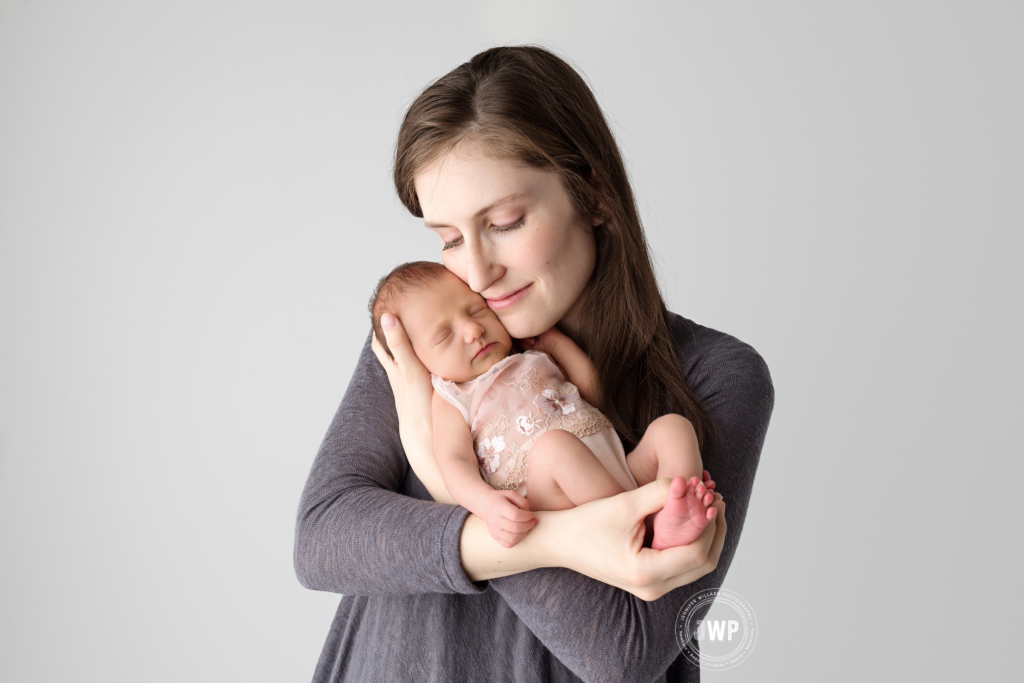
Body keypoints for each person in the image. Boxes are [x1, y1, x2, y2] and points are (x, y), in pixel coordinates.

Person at [294, 45, 774, 682]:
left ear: (592, 195)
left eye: (506, 221)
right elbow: (323, 538)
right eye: (448, 239)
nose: (477, 272)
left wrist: (439, 481)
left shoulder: (718, 374)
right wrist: (547, 538)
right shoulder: (428, 338)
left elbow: (623, 652)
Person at [369, 260, 718, 550]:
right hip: (554, 498)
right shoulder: (453, 397)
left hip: (618, 470)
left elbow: (596, 395)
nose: (473, 330)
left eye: (476, 310)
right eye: (445, 335)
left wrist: (555, 344)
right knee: (553, 449)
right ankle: (630, 524)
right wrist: (486, 506)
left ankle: (677, 508)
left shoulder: (530, 355)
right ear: (417, 361)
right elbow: (453, 462)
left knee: (673, 428)